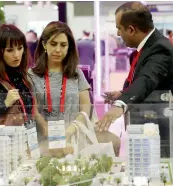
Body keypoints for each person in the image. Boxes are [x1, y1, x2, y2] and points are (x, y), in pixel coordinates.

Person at [97, 2, 173, 158]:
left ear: (131, 30)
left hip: (165, 138)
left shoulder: (161, 49)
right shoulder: (149, 47)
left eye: (119, 28)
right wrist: (123, 94)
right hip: (149, 133)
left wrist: (121, 104)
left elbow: (147, 79)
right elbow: (149, 84)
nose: (118, 34)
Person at [28, 21, 120, 156]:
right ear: (44, 44)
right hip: (45, 136)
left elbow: (85, 108)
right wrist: (46, 129)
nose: (58, 49)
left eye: (63, 45)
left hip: (75, 133)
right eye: (53, 44)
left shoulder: (76, 74)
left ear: (69, 47)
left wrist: (70, 131)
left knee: (113, 142)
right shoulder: (32, 75)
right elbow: (33, 110)